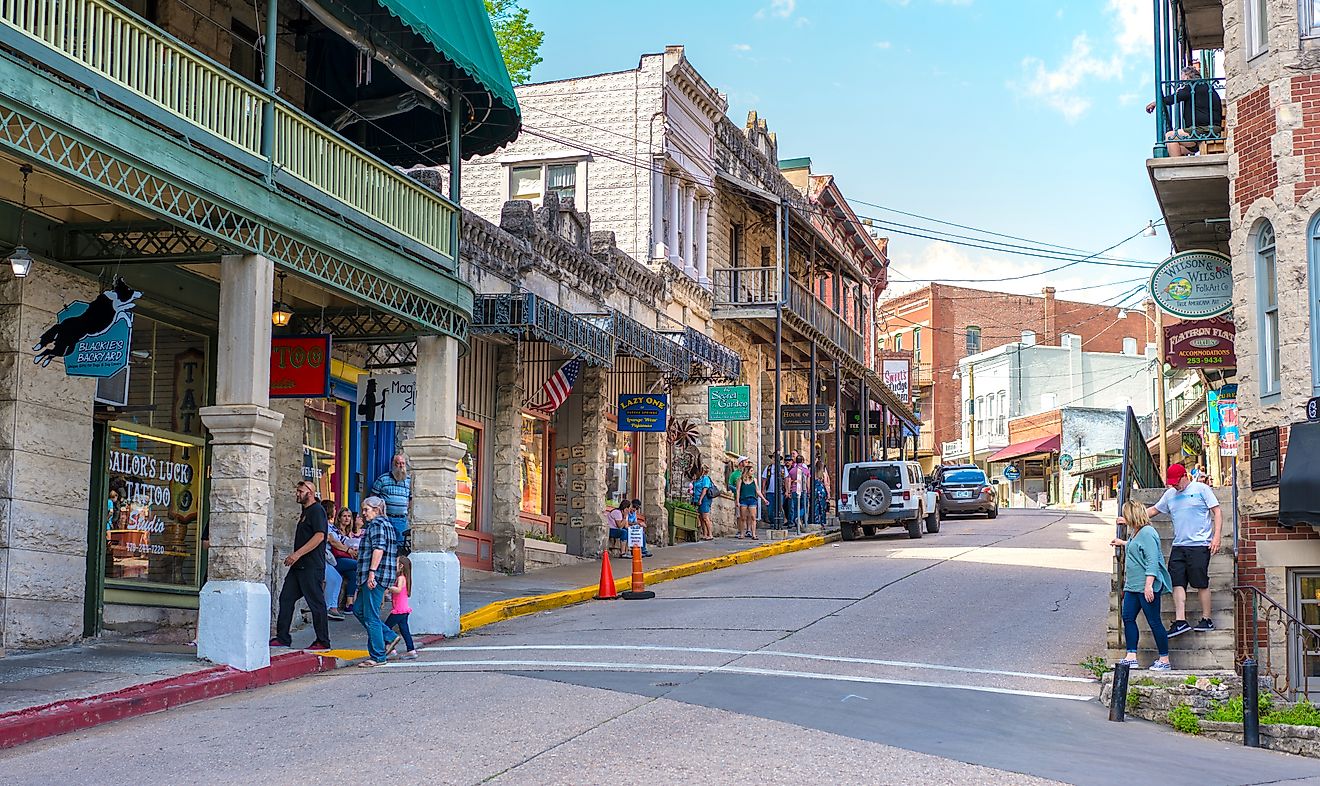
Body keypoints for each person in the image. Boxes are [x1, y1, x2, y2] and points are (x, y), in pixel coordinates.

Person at [1140, 463, 1222, 637]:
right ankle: (1180, 621)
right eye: (1172, 483)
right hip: (1179, 545)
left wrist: (1216, 536)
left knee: (1200, 582)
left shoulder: (1201, 489)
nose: (1175, 486)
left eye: (1177, 482)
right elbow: (1154, 510)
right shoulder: (1170, 494)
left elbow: (1217, 511)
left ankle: (1206, 619)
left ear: (1185, 476)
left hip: (1199, 544)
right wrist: (1130, 519)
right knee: (1176, 581)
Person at [1112, 500, 1173, 671]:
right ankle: (1131, 656)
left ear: (1132, 515)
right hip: (1133, 586)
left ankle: (1164, 659)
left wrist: (1149, 585)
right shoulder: (1136, 532)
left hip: (1146, 586)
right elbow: (1135, 547)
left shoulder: (1147, 533)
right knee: (1128, 617)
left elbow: (1152, 561)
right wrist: (1122, 542)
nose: (1124, 518)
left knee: (1154, 621)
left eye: (1126, 515)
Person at [270, 480, 331, 651]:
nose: (297, 493)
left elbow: (319, 536)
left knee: (316, 602)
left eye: (300, 491)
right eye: (297, 490)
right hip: (299, 567)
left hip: (311, 566)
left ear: (310, 492)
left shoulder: (317, 511)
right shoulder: (305, 512)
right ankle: (283, 638)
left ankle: (323, 641)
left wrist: (297, 554)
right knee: (286, 598)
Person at [353, 495, 399, 667]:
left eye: (366, 509)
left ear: (377, 510)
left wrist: (372, 572)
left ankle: (378, 656)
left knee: (371, 616)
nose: (363, 513)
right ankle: (389, 636)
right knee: (359, 609)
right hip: (378, 575)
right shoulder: (387, 525)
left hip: (374, 576)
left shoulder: (377, 525)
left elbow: (378, 549)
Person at [1146, 64, 1223, 157]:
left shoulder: (1193, 86)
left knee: (1170, 136)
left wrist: (1156, 103)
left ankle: (1175, 169)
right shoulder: (1205, 86)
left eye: (1182, 77)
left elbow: (1173, 99)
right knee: (1177, 147)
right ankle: (1176, 167)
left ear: (1187, 76)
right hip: (1205, 130)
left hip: (1204, 130)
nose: (1181, 81)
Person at [372, 454, 412, 549]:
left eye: (403, 463)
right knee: (383, 545)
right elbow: (373, 498)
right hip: (386, 519)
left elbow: (411, 499)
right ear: (393, 465)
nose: (401, 466)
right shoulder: (382, 479)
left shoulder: (409, 481)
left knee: (400, 547)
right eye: (398, 463)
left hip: (401, 520)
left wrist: (406, 510)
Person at [384, 554, 417, 660]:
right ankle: (410, 649)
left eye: (396, 563)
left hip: (399, 610)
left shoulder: (401, 578)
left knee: (385, 628)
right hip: (403, 609)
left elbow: (398, 590)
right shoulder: (403, 578)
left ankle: (389, 646)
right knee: (404, 629)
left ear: (401, 566)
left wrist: (388, 587)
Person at [331, 507, 361, 612]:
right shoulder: (334, 529)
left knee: (353, 573)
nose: (347, 518)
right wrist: (349, 550)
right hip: (337, 560)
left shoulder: (349, 533)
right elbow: (334, 543)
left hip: (347, 559)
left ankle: (349, 603)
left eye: (349, 516)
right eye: (344, 516)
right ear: (339, 518)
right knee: (360, 565)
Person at [734, 457, 767, 539]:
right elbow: (738, 491)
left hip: (752, 499)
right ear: (747, 471)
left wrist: (764, 499)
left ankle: (754, 534)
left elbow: (757, 490)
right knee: (743, 518)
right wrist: (737, 501)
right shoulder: (740, 480)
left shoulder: (754, 480)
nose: (753, 472)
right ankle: (742, 533)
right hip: (743, 499)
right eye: (751, 471)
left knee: (753, 517)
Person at [762, 454, 787, 527]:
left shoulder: (783, 468)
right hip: (770, 491)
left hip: (780, 491)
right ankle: (773, 522)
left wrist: (787, 490)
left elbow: (786, 479)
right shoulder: (768, 468)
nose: (775, 459)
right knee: (770, 509)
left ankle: (780, 523)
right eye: (773, 458)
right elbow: (764, 479)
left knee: (780, 507)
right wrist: (763, 489)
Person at [691, 467, 716, 541]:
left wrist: (700, 500)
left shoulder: (705, 479)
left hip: (704, 499)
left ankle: (710, 534)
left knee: (705, 517)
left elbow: (705, 490)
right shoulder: (697, 479)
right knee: (701, 518)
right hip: (697, 499)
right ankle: (704, 534)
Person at [812, 458, 831, 529]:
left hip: (815, 490)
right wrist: (828, 494)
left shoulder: (813, 473)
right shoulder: (823, 474)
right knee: (822, 507)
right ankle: (822, 522)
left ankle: (816, 521)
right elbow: (826, 484)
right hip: (821, 490)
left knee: (815, 506)